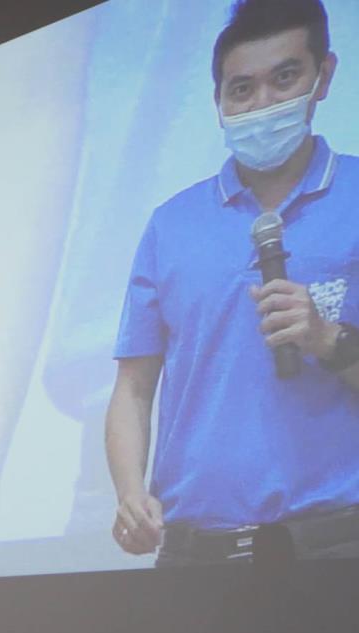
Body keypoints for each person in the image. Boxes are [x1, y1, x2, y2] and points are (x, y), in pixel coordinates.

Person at [107, 0, 359, 566]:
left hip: (339, 548)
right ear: (218, 102)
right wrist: (129, 493)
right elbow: (134, 388)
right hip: (196, 557)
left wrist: (327, 339)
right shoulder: (171, 224)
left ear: (324, 77)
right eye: (241, 89)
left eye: (284, 78)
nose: (262, 103)